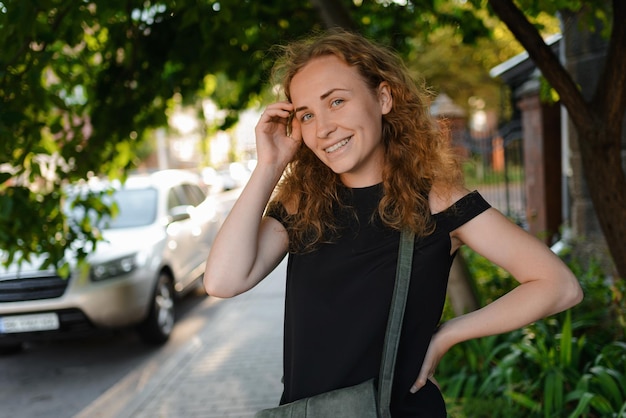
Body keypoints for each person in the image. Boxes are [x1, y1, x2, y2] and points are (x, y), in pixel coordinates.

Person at [203, 29, 583, 417]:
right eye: (307, 114)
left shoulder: (437, 202)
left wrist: (448, 334)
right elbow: (222, 281)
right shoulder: (303, 205)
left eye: (336, 101)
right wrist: (269, 165)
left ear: (383, 98)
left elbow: (559, 286)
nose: (323, 128)